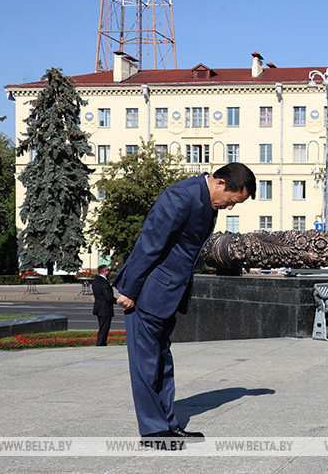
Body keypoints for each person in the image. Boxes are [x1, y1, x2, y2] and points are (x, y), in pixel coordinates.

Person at [115, 162, 256, 447]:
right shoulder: (181, 196)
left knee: (162, 362)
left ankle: (168, 423)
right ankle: (153, 431)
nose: (230, 208)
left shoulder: (206, 201)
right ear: (220, 184)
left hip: (169, 293)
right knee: (146, 364)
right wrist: (128, 290)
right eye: (232, 201)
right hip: (148, 291)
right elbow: (149, 243)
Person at [91, 265, 115, 346]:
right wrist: (116, 300)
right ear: (105, 272)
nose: (109, 272)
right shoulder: (104, 282)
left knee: (102, 327)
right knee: (104, 328)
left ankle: (101, 343)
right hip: (105, 308)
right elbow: (108, 296)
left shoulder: (96, 280)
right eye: (108, 270)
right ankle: (101, 344)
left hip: (98, 307)